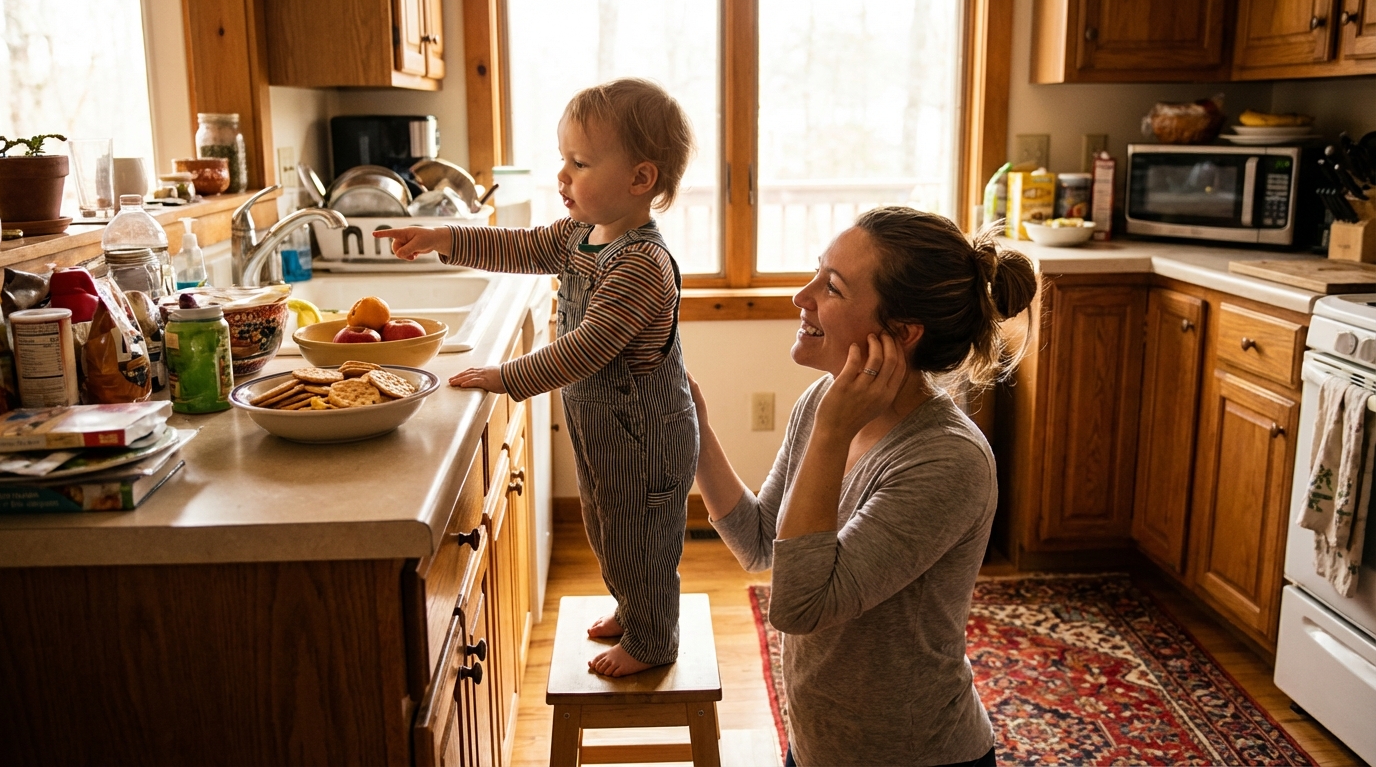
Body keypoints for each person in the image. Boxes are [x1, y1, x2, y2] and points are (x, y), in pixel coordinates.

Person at [375, 78, 697, 678]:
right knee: (607, 527)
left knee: (640, 535)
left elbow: (587, 349)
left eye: (580, 162)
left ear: (640, 179)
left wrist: (504, 377)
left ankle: (655, 639)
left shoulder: (642, 265)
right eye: (563, 160)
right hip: (606, 430)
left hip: (647, 440)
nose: (563, 176)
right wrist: (445, 237)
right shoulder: (579, 235)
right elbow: (519, 248)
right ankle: (636, 607)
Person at [691, 207, 1036, 766]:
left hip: (916, 756)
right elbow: (760, 544)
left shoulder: (948, 459)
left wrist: (831, 433)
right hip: (819, 747)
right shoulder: (822, 406)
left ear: (900, 334)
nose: (800, 298)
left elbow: (800, 606)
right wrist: (698, 434)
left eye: (831, 287)